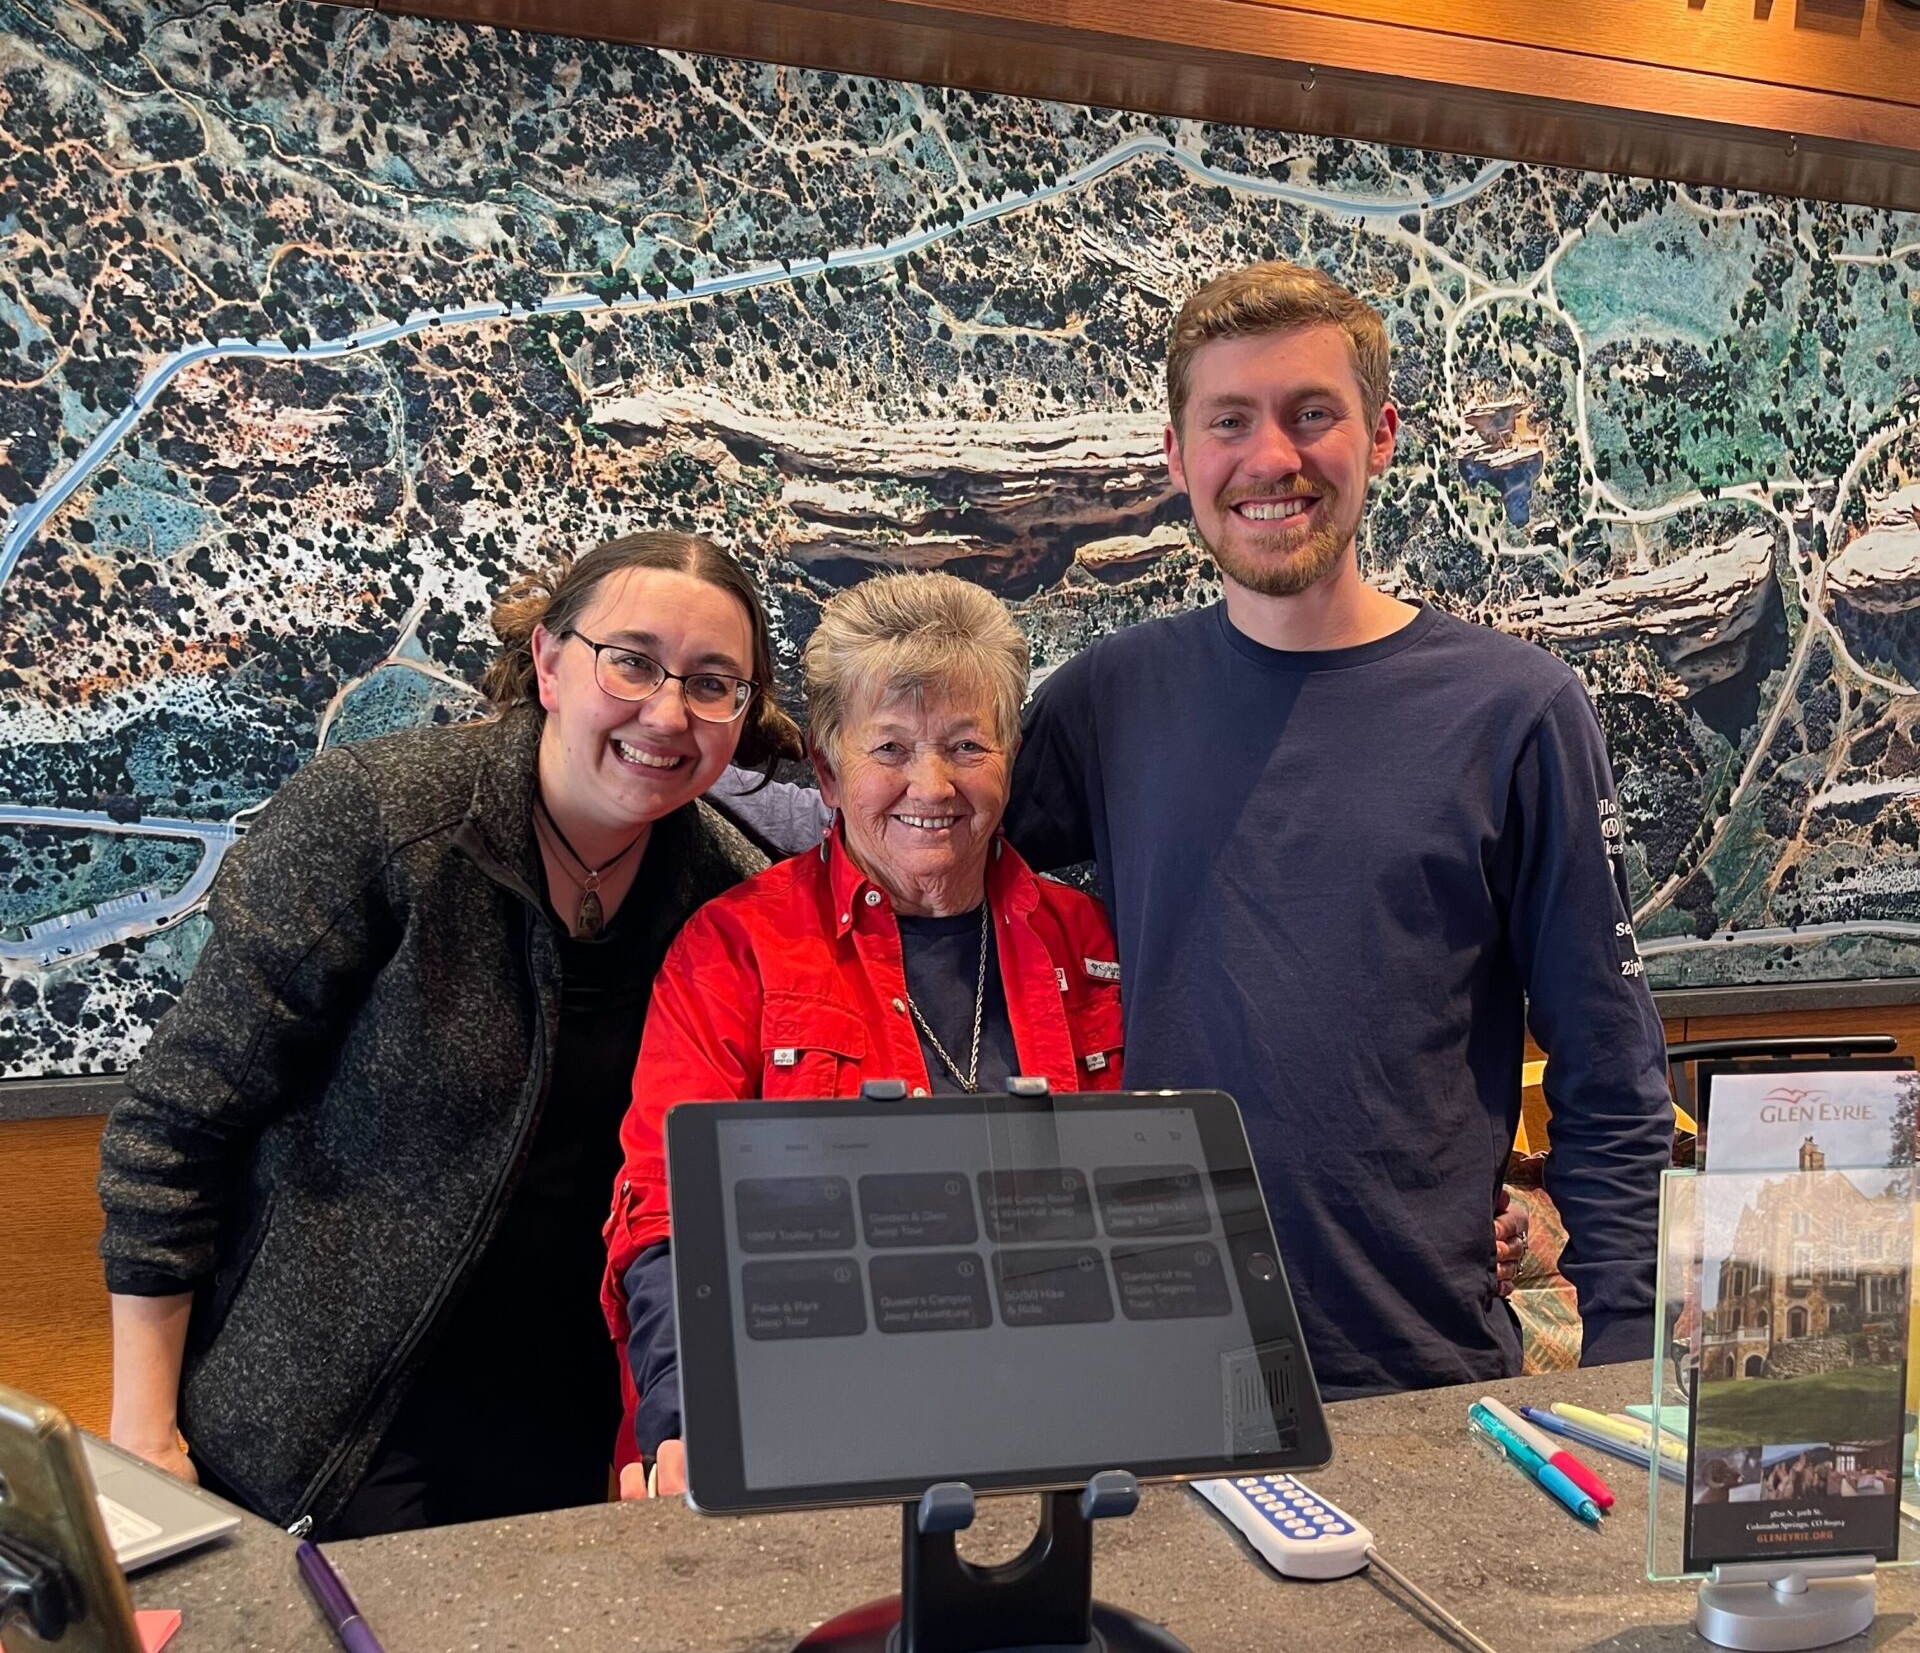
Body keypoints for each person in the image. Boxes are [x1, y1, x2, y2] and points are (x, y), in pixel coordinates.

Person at [1006, 260, 1675, 1398]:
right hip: (1147, 1381)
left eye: (1313, 414)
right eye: (1231, 421)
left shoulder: (1516, 712)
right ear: (1178, 456)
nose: (1273, 458)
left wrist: (1625, 1358)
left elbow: (1609, 1072)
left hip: (1425, 1379)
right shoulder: (1105, 702)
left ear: (1381, 436)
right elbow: (921, 879)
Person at [100, 530, 801, 1534]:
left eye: (712, 683)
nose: (666, 711)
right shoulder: (375, 824)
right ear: (551, 662)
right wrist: (143, 1433)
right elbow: (171, 1132)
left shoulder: (728, 899)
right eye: (632, 661)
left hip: (568, 1428)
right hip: (322, 1428)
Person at [601, 571, 1126, 1498]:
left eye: (968, 744)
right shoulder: (737, 949)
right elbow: (666, 1213)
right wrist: (689, 1415)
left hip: (1059, 1432)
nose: (934, 785)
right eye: (891, 747)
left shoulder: (1088, 943)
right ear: (831, 766)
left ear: (1009, 758)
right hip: (801, 1430)